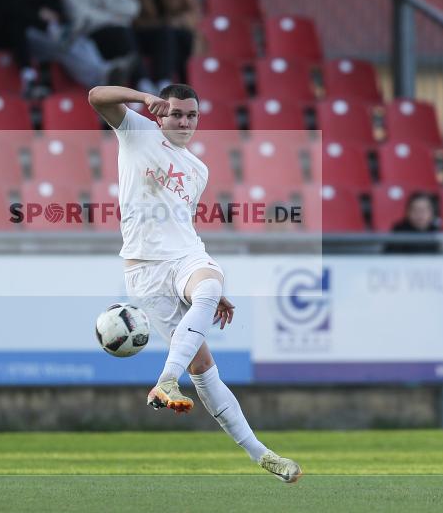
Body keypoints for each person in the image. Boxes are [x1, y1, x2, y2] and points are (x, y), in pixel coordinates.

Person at [87, 83, 303, 483]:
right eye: (176, 114)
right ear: (159, 115)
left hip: (187, 256)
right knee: (203, 368)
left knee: (211, 286)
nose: (184, 121)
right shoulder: (136, 131)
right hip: (145, 270)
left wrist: (204, 294)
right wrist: (141, 97)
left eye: (191, 115)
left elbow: (180, 223)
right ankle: (260, 454)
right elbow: (96, 95)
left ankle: (167, 380)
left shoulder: (198, 169)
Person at [63, 0, 153, 91]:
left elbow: (133, 8)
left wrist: (103, 3)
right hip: (92, 35)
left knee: (159, 35)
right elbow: (81, 16)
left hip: (120, 34)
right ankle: (141, 83)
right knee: (122, 34)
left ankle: (153, 82)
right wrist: (113, 16)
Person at [129, 0, 201, 86]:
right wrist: (164, 23)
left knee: (186, 38)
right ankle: (163, 81)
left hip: (178, 31)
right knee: (165, 33)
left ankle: (187, 85)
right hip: (149, 36)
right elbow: (135, 21)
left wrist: (177, 21)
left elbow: (193, 12)